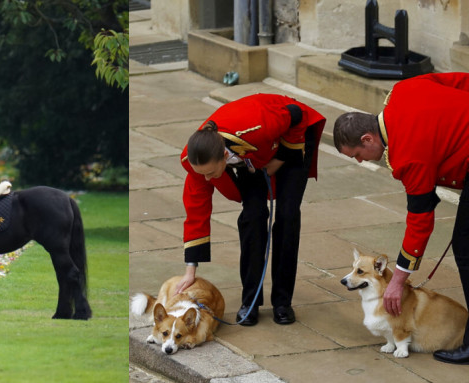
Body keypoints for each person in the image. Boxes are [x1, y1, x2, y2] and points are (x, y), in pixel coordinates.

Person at [332, 72, 469, 364]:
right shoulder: (402, 90)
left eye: (357, 154)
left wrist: (397, 282)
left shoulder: (407, 155)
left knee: (466, 248)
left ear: (368, 138)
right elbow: (461, 81)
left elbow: (420, 221)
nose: (360, 161)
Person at [177, 94, 326, 326]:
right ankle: (251, 301)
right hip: (252, 157)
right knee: (253, 216)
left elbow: (297, 114)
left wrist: (281, 158)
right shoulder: (196, 160)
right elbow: (196, 212)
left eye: (209, 172)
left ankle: (282, 302)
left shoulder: (258, 126)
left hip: (290, 139)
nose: (205, 178)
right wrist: (190, 271)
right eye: (201, 173)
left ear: (224, 156)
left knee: (287, 215)